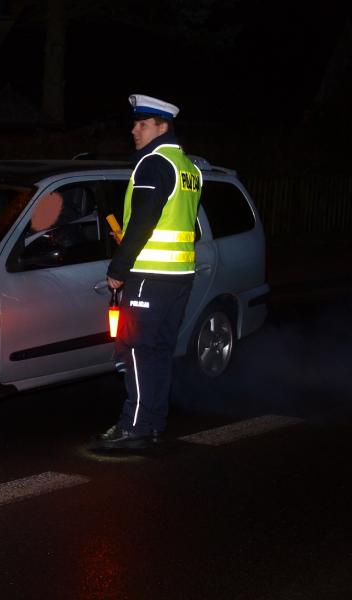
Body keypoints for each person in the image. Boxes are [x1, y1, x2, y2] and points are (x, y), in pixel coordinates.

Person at [92, 93, 203, 450]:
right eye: (135, 123)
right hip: (179, 276)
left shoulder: (153, 164)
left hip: (150, 276)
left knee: (137, 349)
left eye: (142, 124)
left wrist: (119, 266)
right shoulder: (188, 168)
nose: (134, 130)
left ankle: (134, 427)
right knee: (158, 351)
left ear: (161, 126)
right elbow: (188, 227)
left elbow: (143, 221)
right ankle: (153, 423)